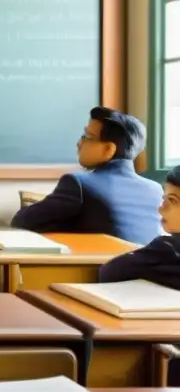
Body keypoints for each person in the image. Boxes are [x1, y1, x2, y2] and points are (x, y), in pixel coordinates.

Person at [10, 108, 162, 245]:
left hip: (100, 273)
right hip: (148, 274)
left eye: (87, 136)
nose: (79, 143)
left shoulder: (79, 184)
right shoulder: (155, 190)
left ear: (109, 149)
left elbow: (21, 221)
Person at [98, 166, 180, 289]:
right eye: (164, 199)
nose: (161, 208)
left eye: (172, 200)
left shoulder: (166, 250)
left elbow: (110, 273)